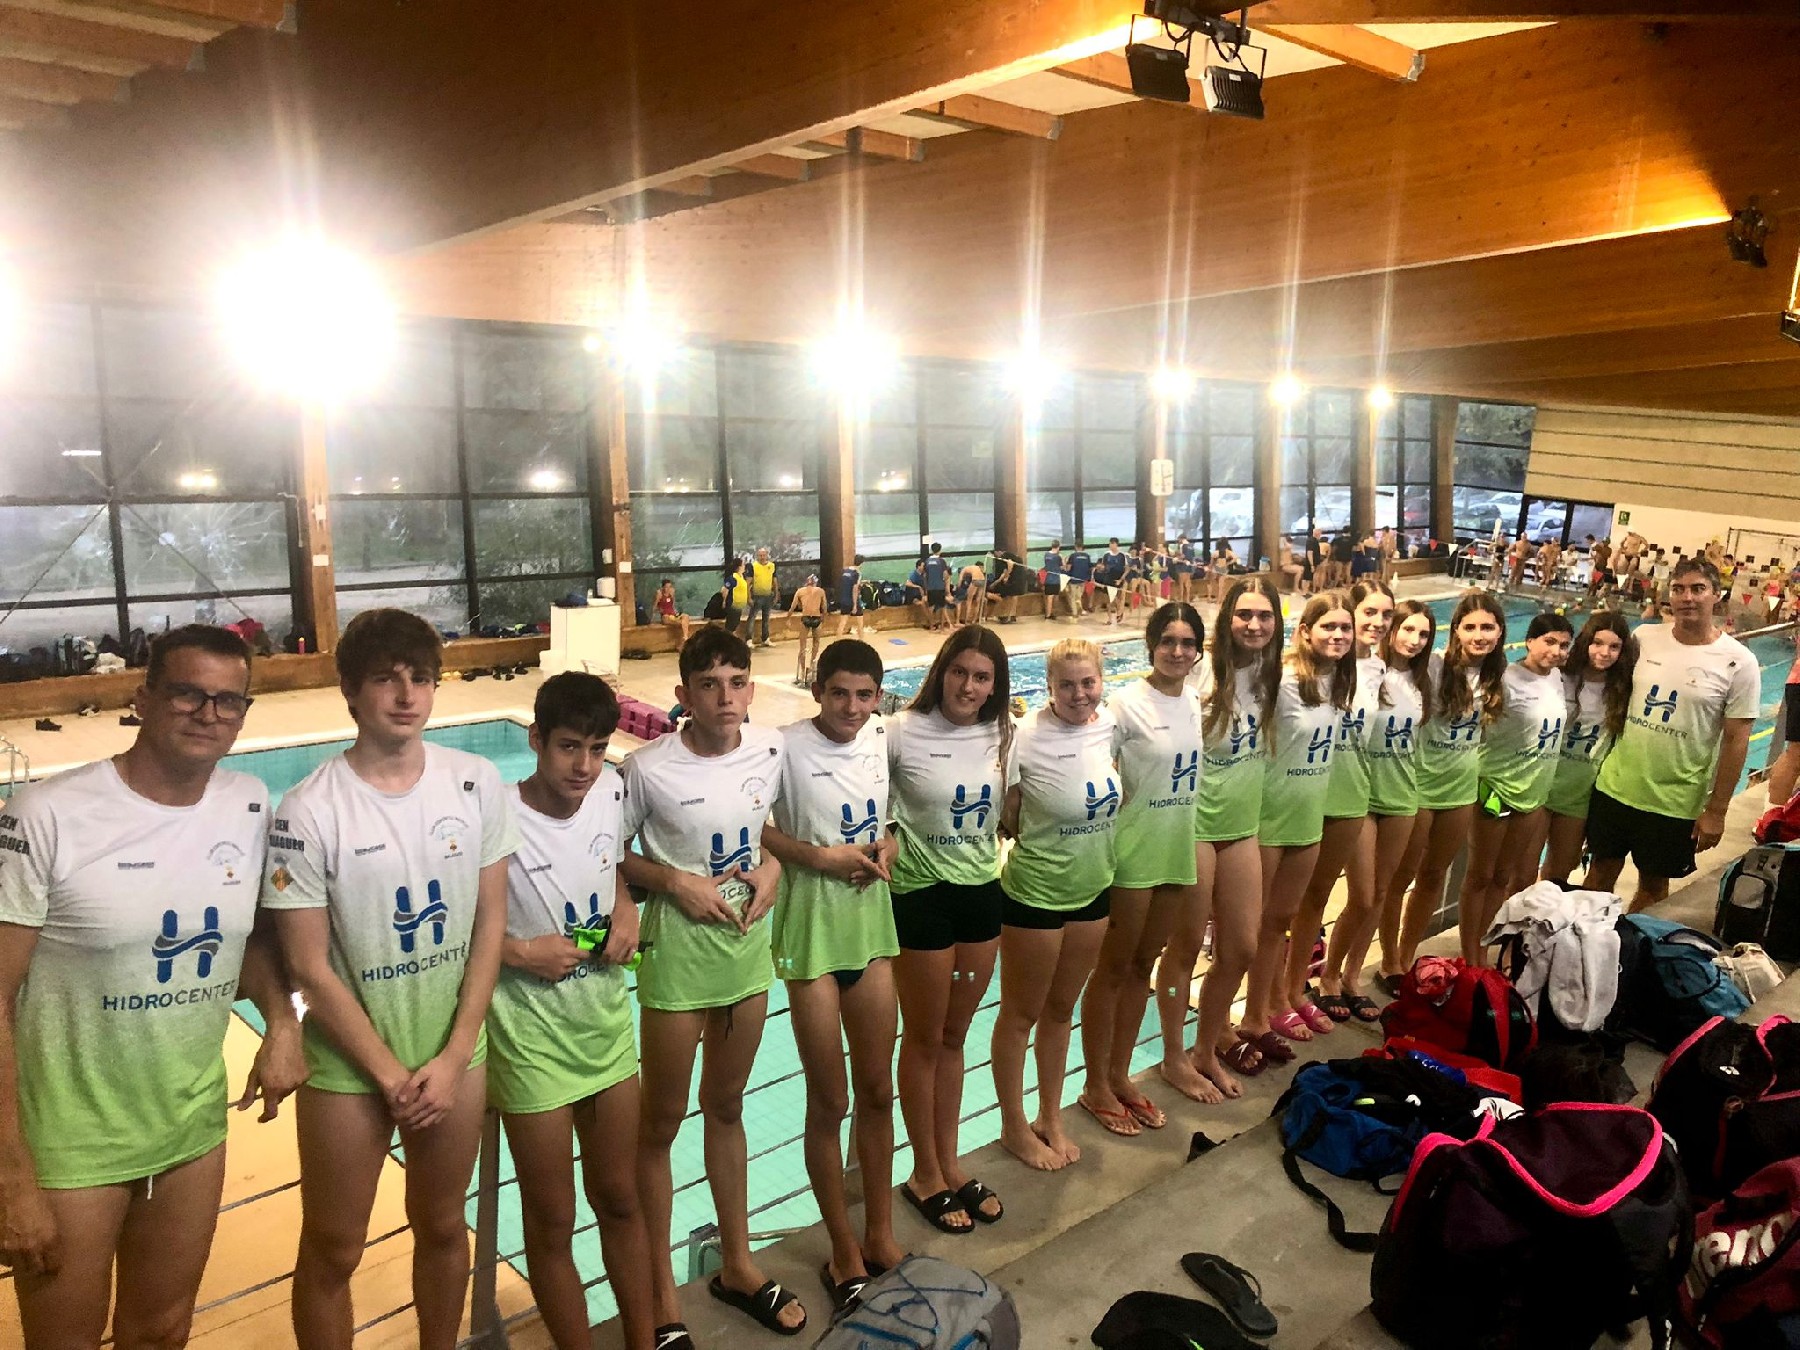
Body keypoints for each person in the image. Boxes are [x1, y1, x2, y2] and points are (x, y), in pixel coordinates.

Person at [0, 626, 305, 1350]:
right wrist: (10, 1178)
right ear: (142, 699)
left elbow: (255, 938)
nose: (208, 713)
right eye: (187, 693)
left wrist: (283, 1022)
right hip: (69, 1141)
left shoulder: (248, 803)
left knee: (163, 1331)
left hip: (190, 1127)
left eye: (228, 700)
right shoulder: (46, 815)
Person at [264, 609, 519, 1350]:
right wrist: (389, 1075)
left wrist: (455, 1053)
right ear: (350, 690)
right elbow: (308, 966)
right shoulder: (308, 810)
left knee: (442, 1225)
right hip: (349, 1067)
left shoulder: (475, 782)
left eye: (421, 678)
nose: (407, 695)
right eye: (386, 678)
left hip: (453, 1054)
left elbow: (490, 925)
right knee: (334, 1248)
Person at [619, 628, 802, 1342]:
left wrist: (774, 870)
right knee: (661, 1124)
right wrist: (673, 881)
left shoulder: (770, 750)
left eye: (737, 682)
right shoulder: (646, 768)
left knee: (726, 1107)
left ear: (751, 688)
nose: (725, 697)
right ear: (683, 695)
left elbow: (770, 830)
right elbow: (612, 854)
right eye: (709, 685)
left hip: (745, 954)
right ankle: (662, 1292)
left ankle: (738, 1265)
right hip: (676, 959)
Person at [489, 673, 655, 1350]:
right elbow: (457, 925)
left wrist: (626, 908)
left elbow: (613, 864)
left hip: (604, 1022)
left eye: (596, 748)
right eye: (567, 747)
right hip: (527, 1038)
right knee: (553, 1219)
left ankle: (644, 1339)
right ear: (535, 739)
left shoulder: (610, 790)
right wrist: (520, 953)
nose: (583, 765)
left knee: (620, 1197)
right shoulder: (495, 815)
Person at [762, 640, 904, 1312]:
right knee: (830, 1100)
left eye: (864, 695)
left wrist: (890, 841)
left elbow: (891, 815)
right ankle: (841, 1246)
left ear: (877, 696)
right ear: (818, 691)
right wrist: (815, 858)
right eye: (839, 693)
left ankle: (881, 1233)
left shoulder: (880, 738)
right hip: (811, 936)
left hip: (869, 930)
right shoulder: (782, 747)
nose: (852, 707)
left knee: (877, 1090)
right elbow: (754, 826)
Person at [887, 626, 1011, 1234]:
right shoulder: (899, 732)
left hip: (981, 893)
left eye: (982, 677)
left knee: (956, 1035)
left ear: (995, 685)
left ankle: (949, 1161)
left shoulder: (1003, 733)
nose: (968, 686)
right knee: (924, 1036)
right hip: (921, 897)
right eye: (959, 672)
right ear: (941, 672)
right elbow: (867, 800)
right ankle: (923, 1171)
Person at [1078, 603, 1205, 1137]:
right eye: (1167, 640)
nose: (1177, 651)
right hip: (1132, 853)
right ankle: (1094, 1085)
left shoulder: (1194, 700)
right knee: (1112, 969)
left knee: (1143, 968)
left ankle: (1119, 1075)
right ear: (1150, 644)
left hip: (1175, 848)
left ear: (1198, 649)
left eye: (1187, 642)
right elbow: (1089, 766)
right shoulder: (1125, 705)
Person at [1155, 577, 1281, 1101]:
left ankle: (1206, 1048)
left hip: (1242, 827)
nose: (1254, 625)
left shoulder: (1274, 673)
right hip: (1194, 826)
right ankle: (1173, 1057)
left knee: (1242, 947)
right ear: (1227, 618)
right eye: (1244, 614)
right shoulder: (1201, 672)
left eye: (1264, 615)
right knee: (1184, 947)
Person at [993, 639, 1117, 1170]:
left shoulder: (1109, 727)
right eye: (1066, 684)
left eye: (1088, 682)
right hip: (1035, 895)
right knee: (1020, 1014)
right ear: (1048, 685)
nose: (1079, 694)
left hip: (1094, 889)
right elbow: (1008, 815)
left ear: (1101, 681)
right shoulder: (1025, 737)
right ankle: (1013, 1126)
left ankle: (1051, 1116)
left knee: (1062, 1011)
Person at [1583, 558, 1759, 913]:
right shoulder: (1643, 638)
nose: (1687, 597)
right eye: (1678, 589)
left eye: (1698, 589)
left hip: (1675, 801)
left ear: (1717, 595)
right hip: (1615, 787)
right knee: (1598, 875)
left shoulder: (1739, 662)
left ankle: (1629, 945)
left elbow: (1736, 740)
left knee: (1653, 887)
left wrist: (1717, 810)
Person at [1238, 592, 1356, 1053]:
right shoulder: (1282, 680)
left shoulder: (1337, 682)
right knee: (1258, 924)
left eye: (1344, 628)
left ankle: (1281, 998)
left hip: (1309, 815)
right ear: (1305, 631)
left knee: (1282, 919)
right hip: (1269, 816)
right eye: (1328, 626)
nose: (1338, 635)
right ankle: (1254, 1012)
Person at [1285, 583, 1394, 1026]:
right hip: (1308, 793)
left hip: (1353, 794)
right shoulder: (1300, 673)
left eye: (1385, 615)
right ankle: (1290, 990)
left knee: (1360, 897)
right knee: (1302, 903)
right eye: (1368, 613)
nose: (1376, 623)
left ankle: (1325, 978)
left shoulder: (1374, 670)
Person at [1384, 592, 1506, 982]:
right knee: (1400, 878)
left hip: (1461, 790)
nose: (1479, 635)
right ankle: (1389, 960)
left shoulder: (1497, 676)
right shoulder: (1434, 667)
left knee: (1434, 876)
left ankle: (1407, 955)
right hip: (1418, 786)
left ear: (1500, 632)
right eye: (1470, 627)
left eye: (1487, 627)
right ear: (1455, 631)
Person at [1328, 600, 1435, 1007]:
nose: (1414, 640)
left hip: (1403, 794)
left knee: (1382, 892)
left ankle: (1352, 975)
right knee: (1362, 894)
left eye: (1423, 634)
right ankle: (1328, 974)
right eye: (1407, 629)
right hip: (1363, 793)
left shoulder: (1423, 680)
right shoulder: (1369, 672)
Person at [1459, 612, 1573, 964]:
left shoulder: (1557, 679)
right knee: (1481, 875)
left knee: (1503, 877)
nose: (1556, 651)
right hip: (1495, 788)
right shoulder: (1505, 678)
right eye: (1549, 642)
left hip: (1533, 793)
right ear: (1529, 641)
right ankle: (1471, 956)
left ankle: (1486, 947)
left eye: (1564, 645)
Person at [1541, 612, 1636, 884]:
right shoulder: (1559, 677)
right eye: (1598, 643)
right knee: (1520, 872)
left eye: (1614, 646)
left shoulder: (1622, 690)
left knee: (1559, 873)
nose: (1605, 653)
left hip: (1579, 795)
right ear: (1585, 643)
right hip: (1541, 788)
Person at [789, 573, 828, 686]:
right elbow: (824, 606)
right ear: (815, 583)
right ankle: (811, 668)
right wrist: (824, 618)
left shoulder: (800, 591)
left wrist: (788, 617)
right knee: (816, 643)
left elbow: (793, 606)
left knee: (802, 647)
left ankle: (802, 673)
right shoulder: (820, 591)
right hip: (816, 618)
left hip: (805, 617)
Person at [746, 547, 781, 648]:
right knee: (752, 618)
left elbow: (775, 582)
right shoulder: (753, 566)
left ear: (767, 555)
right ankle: (749, 639)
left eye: (764, 555)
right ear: (757, 556)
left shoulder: (772, 566)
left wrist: (776, 595)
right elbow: (748, 583)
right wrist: (748, 597)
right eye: (760, 555)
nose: (762, 557)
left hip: (768, 595)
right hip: (756, 596)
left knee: (766, 618)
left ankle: (765, 638)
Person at [1096, 539, 1128, 625]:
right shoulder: (1106, 555)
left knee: (1116, 598)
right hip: (1107, 579)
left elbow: (1127, 569)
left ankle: (1120, 613)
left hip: (1117, 580)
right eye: (1110, 544)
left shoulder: (1122, 555)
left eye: (1113, 544)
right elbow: (1103, 567)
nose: (1111, 545)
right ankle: (1109, 619)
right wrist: (1100, 568)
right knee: (1108, 600)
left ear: (1117, 544)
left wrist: (1121, 579)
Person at [924, 543, 953, 633]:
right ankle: (942, 627)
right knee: (942, 607)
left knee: (931, 607)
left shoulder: (927, 561)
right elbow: (945, 574)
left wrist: (926, 587)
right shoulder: (941, 561)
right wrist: (946, 579)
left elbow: (925, 576)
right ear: (940, 550)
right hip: (940, 586)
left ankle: (931, 626)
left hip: (930, 587)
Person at [655, 577, 692, 644]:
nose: (668, 589)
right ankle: (683, 636)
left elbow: (672, 604)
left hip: (673, 614)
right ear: (663, 587)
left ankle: (685, 637)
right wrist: (659, 611)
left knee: (686, 616)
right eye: (666, 587)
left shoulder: (671, 593)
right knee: (680, 622)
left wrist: (675, 612)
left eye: (670, 587)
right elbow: (655, 606)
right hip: (665, 616)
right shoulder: (659, 594)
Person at [838, 554, 867, 641]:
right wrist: (854, 605)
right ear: (861, 563)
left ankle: (837, 642)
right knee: (860, 623)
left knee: (842, 623)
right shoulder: (857, 573)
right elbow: (855, 589)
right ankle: (861, 642)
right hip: (853, 600)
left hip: (844, 599)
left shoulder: (845, 571)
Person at [956, 555, 987, 627]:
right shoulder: (977, 568)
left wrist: (958, 588)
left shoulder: (964, 570)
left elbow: (959, 582)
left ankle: (967, 621)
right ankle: (974, 620)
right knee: (978, 601)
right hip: (982, 580)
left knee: (969, 601)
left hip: (975, 580)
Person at [1066, 543, 1094, 617]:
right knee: (1079, 597)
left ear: (1076, 547)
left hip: (1073, 579)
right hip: (1083, 580)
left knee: (1072, 597)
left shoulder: (1072, 556)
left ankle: (1075, 613)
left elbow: (1068, 568)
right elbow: (1090, 568)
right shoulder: (1087, 556)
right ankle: (1080, 611)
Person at [1041, 542, 1065, 621]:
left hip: (1048, 578)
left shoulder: (1046, 554)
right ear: (1058, 547)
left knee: (1049, 597)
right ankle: (1053, 613)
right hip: (1055, 579)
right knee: (1055, 597)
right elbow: (1063, 567)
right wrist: (1063, 559)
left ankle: (1047, 614)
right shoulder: (1058, 556)